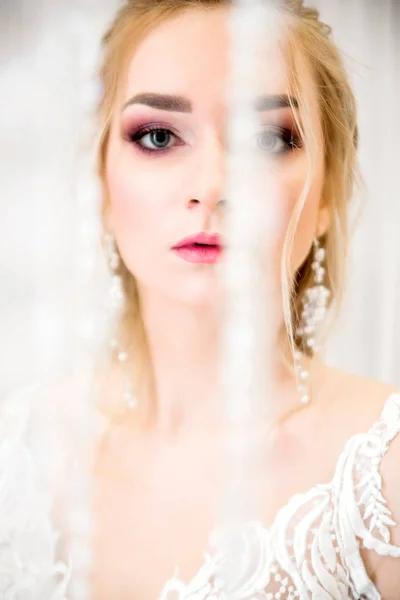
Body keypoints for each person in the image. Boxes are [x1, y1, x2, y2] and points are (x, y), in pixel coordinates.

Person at [1, 1, 400, 599]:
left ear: (326, 197)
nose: (212, 186)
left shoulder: (382, 475)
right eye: (158, 136)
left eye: (267, 138)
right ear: (103, 186)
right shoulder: (20, 453)